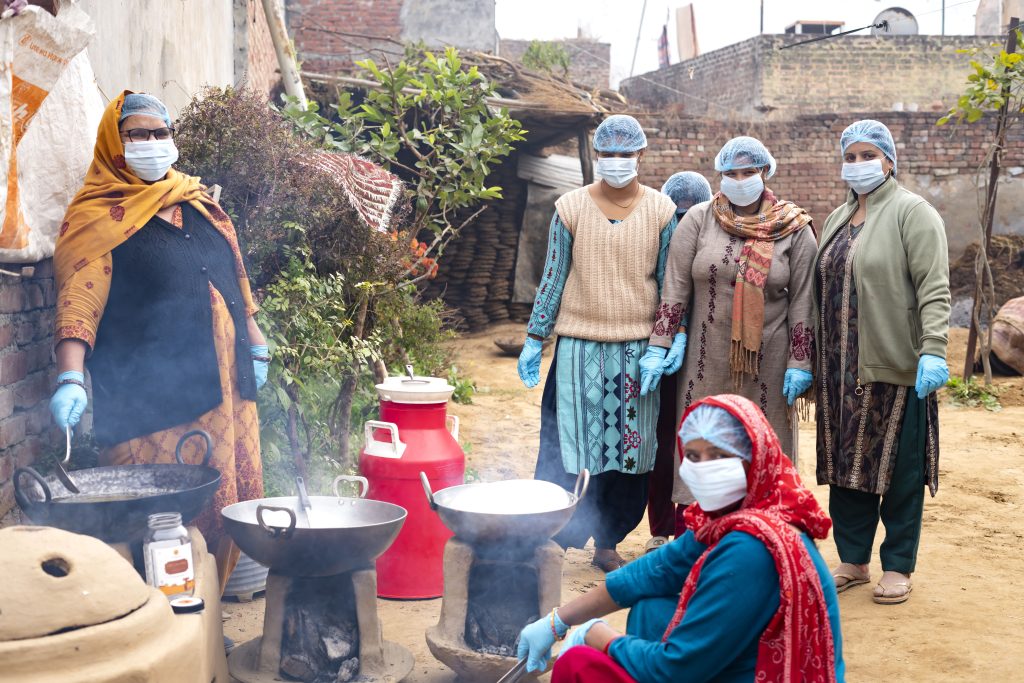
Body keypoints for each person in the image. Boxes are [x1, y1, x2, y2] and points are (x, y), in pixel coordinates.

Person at [48, 92, 268, 592]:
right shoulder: (99, 217)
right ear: (114, 144)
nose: (151, 144)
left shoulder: (198, 202)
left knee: (225, 501)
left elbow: (236, 277)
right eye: (136, 135)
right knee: (159, 522)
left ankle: (205, 608)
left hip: (226, 392)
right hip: (153, 401)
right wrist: (69, 375)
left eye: (159, 133)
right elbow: (79, 300)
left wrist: (255, 340)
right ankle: (160, 619)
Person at [516, 394, 845, 682]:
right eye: (693, 455)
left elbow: (674, 669)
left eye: (718, 455)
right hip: (750, 657)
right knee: (651, 609)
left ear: (754, 459)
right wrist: (558, 621)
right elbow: (653, 571)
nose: (703, 468)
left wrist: (595, 634)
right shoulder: (739, 518)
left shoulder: (750, 549)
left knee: (578, 664)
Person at [517, 114, 679, 572]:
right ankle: (552, 539)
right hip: (577, 349)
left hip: (637, 352)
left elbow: (671, 285)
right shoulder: (569, 207)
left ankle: (608, 543)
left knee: (630, 453)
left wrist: (666, 342)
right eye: (607, 153)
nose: (615, 162)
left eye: (625, 154)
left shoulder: (662, 211)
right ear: (597, 154)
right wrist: (534, 337)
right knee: (565, 444)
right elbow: (552, 276)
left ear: (640, 156)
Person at [643, 136, 816, 537]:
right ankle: (697, 536)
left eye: (748, 172)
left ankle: (765, 534)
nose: (740, 180)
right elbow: (675, 289)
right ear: (719, 175)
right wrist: (660, 346)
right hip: (703, 365)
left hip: (769, 367)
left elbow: (804, 302)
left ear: (765, 172)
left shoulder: (794, 228)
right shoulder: (698, 219)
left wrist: (800, 363)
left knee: (761, 446)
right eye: (731, 173)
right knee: (703, 440)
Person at [814, 120, 949, 605]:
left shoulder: (913, 213)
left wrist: (933, 347)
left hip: (892, 364)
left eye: (867, 155)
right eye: (849, 157)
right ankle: (853, 559)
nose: (857, 165)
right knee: (846, 467)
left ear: (889, 161)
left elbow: (934, 288)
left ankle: (898, 564)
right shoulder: (836, 218)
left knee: (897, 470)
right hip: (837, 369)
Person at [645, 172, 712, 554]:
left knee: (695, 436)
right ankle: (660, 527)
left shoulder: (709, 235)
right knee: (661, 437)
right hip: (662, 346)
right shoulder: (657, 235)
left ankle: (691, 525)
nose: (684, 220)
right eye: (678, 213)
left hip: (702, 349)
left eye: (691, 212)